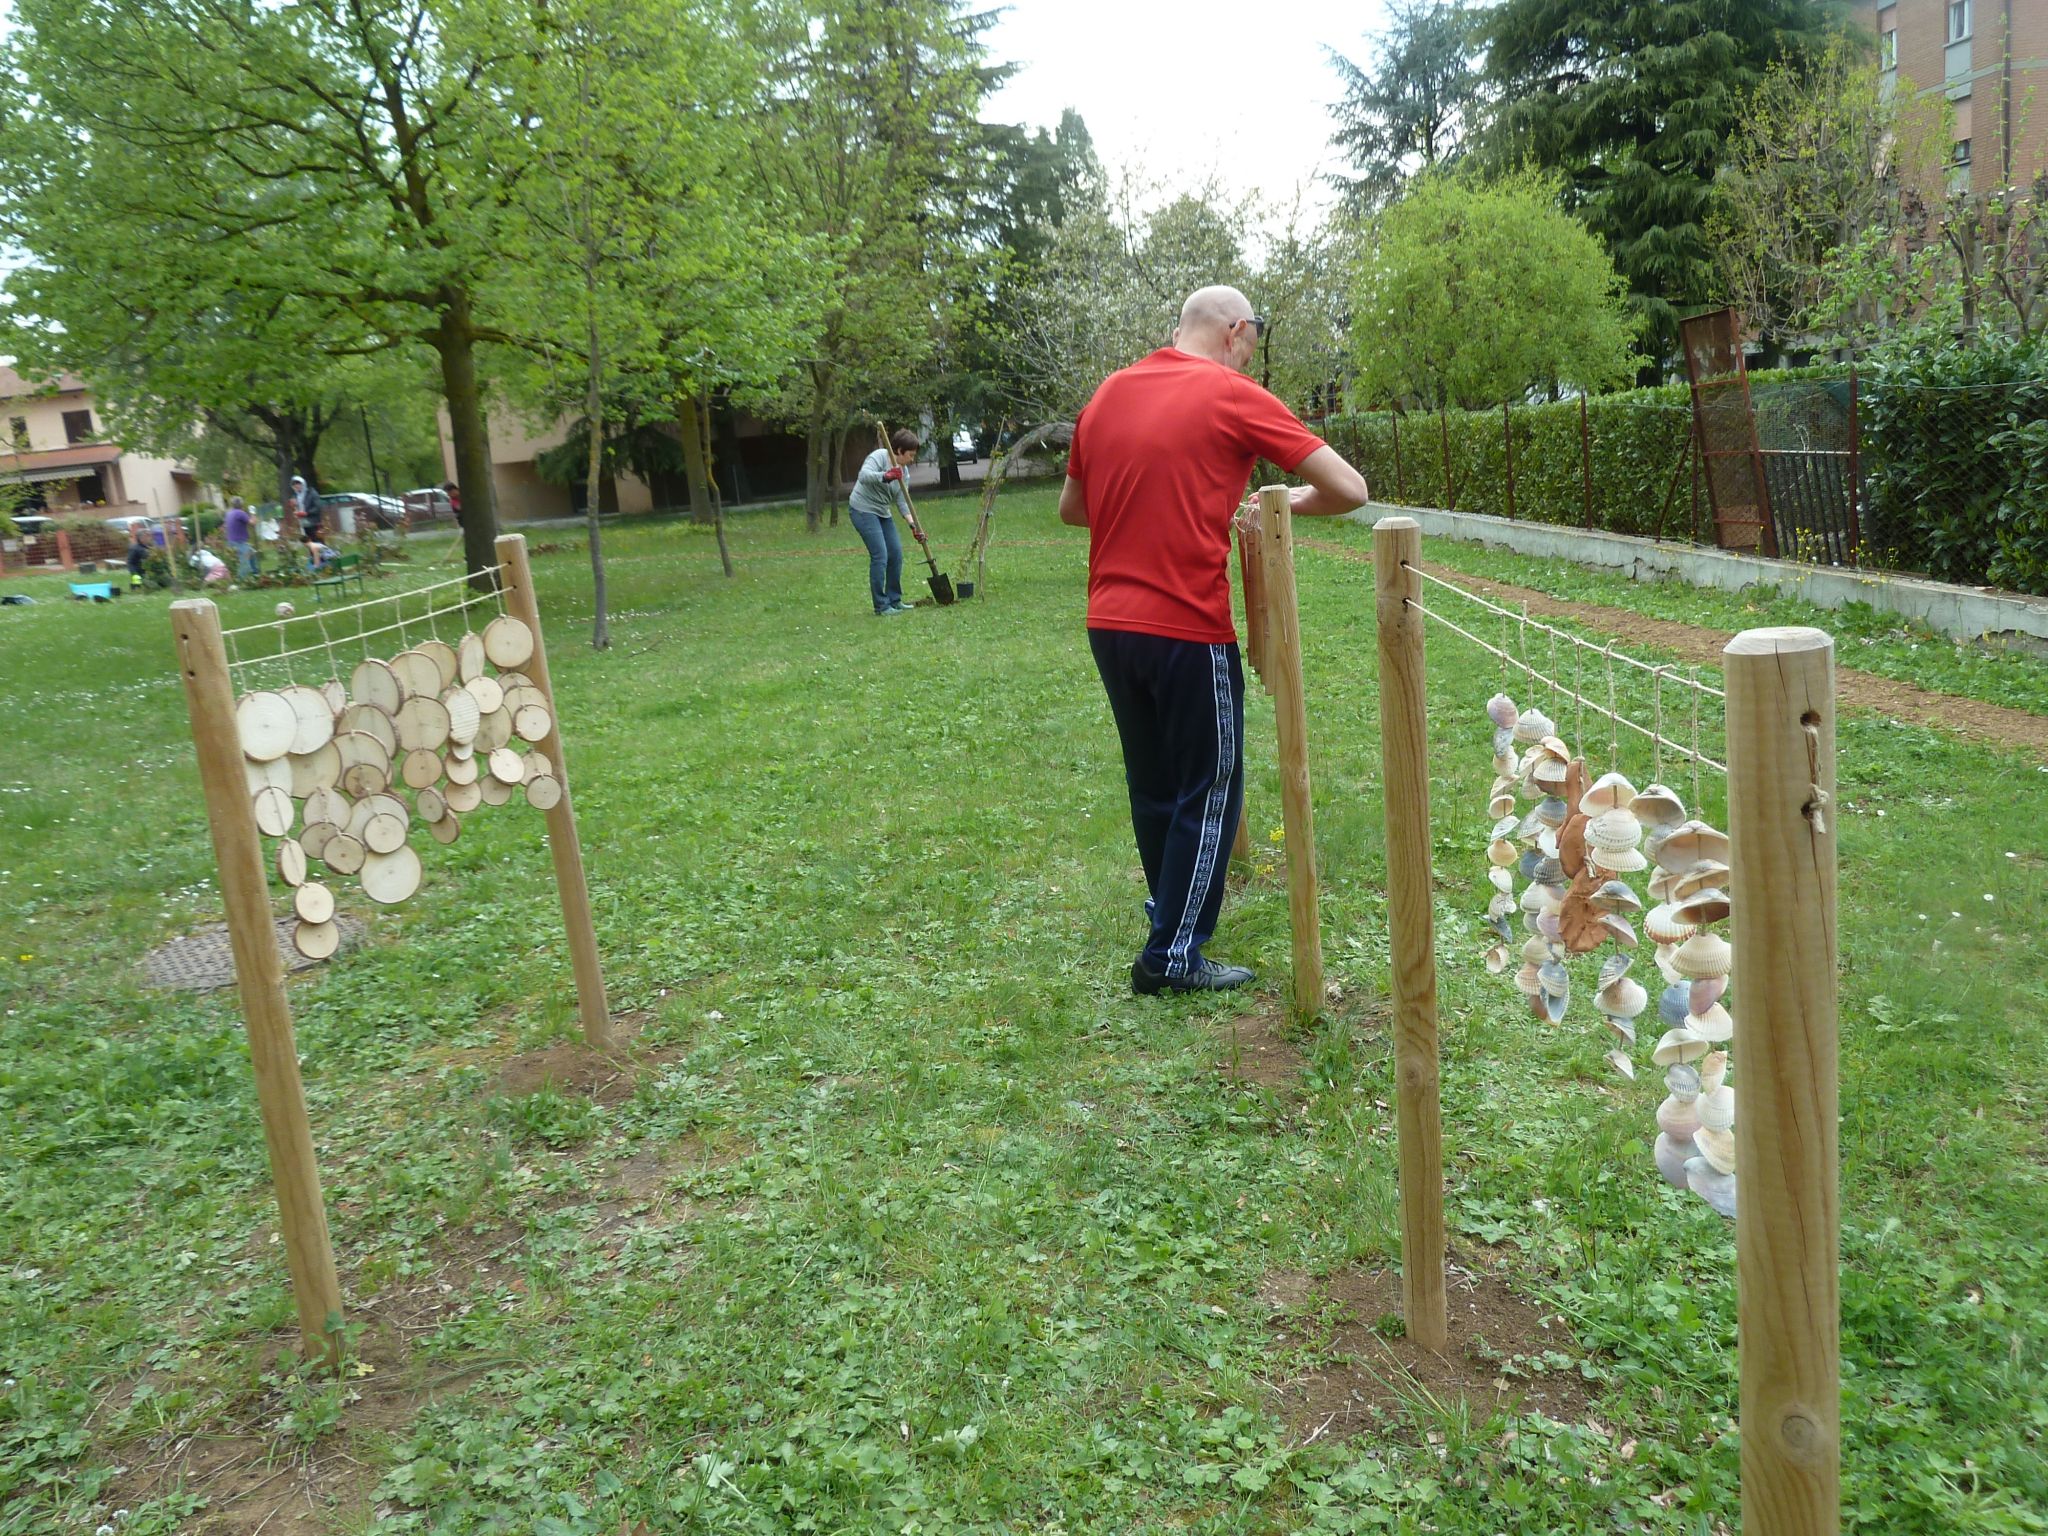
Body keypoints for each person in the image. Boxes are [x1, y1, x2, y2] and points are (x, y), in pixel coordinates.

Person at [1061, 285, 1369, 995]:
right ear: (1234, 331)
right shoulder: (1230, 393)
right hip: (1186, 625)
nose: (1248, 363)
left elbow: (1074, 508)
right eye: (1251, 348)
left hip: (1110, 623)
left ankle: (1167, 914)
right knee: (1210, 786)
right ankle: (1171, 957)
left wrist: (1153, 506)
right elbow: (1348, 488)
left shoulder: (1108, 394)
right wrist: (1285, 500)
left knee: (1154, 784)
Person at [848, 429, 922, 616]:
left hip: (882, 511)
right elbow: (863, 476)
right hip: (863, 509)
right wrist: (885, 475)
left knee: (895, 553)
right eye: (910, 455)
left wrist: (913, 525)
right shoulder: (879, 456)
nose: (912, 459)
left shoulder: (904, 473)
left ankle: (894, 600)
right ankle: (881, 606)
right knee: (880, 555)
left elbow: (902, 501)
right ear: (899, 450)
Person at [223, 496, 255, 577]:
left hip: (230, 541)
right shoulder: (240, 513)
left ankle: (255, 573)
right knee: (244, 563)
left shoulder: (229, 513)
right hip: (239, 542)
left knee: (251, 553)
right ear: (241, 504)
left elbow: (225, 526)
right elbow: (252, 523)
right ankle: (243, 579)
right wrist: (253, 512)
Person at [291, 474, 321, 541]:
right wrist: (294, 508)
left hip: (313, 522)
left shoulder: (312, 493)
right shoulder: (295, 496)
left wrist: (306, 513)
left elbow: (318, 507)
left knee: (316, 541)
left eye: (298, 483)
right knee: (308, 542)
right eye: (294, 484)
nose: (296, 486)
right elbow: (296, 508)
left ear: (303, 483)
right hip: (302, 523)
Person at [124, 520, 151, 588]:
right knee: (137, 581)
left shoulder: (146, 546)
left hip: (143, 568)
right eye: (146, 536)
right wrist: (134, 573)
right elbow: (130, 562)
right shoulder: (135, 548)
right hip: (135, 568)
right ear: (141, 538)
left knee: (145, 582)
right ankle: (134, 587)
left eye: (148, 536)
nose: (148, 538)